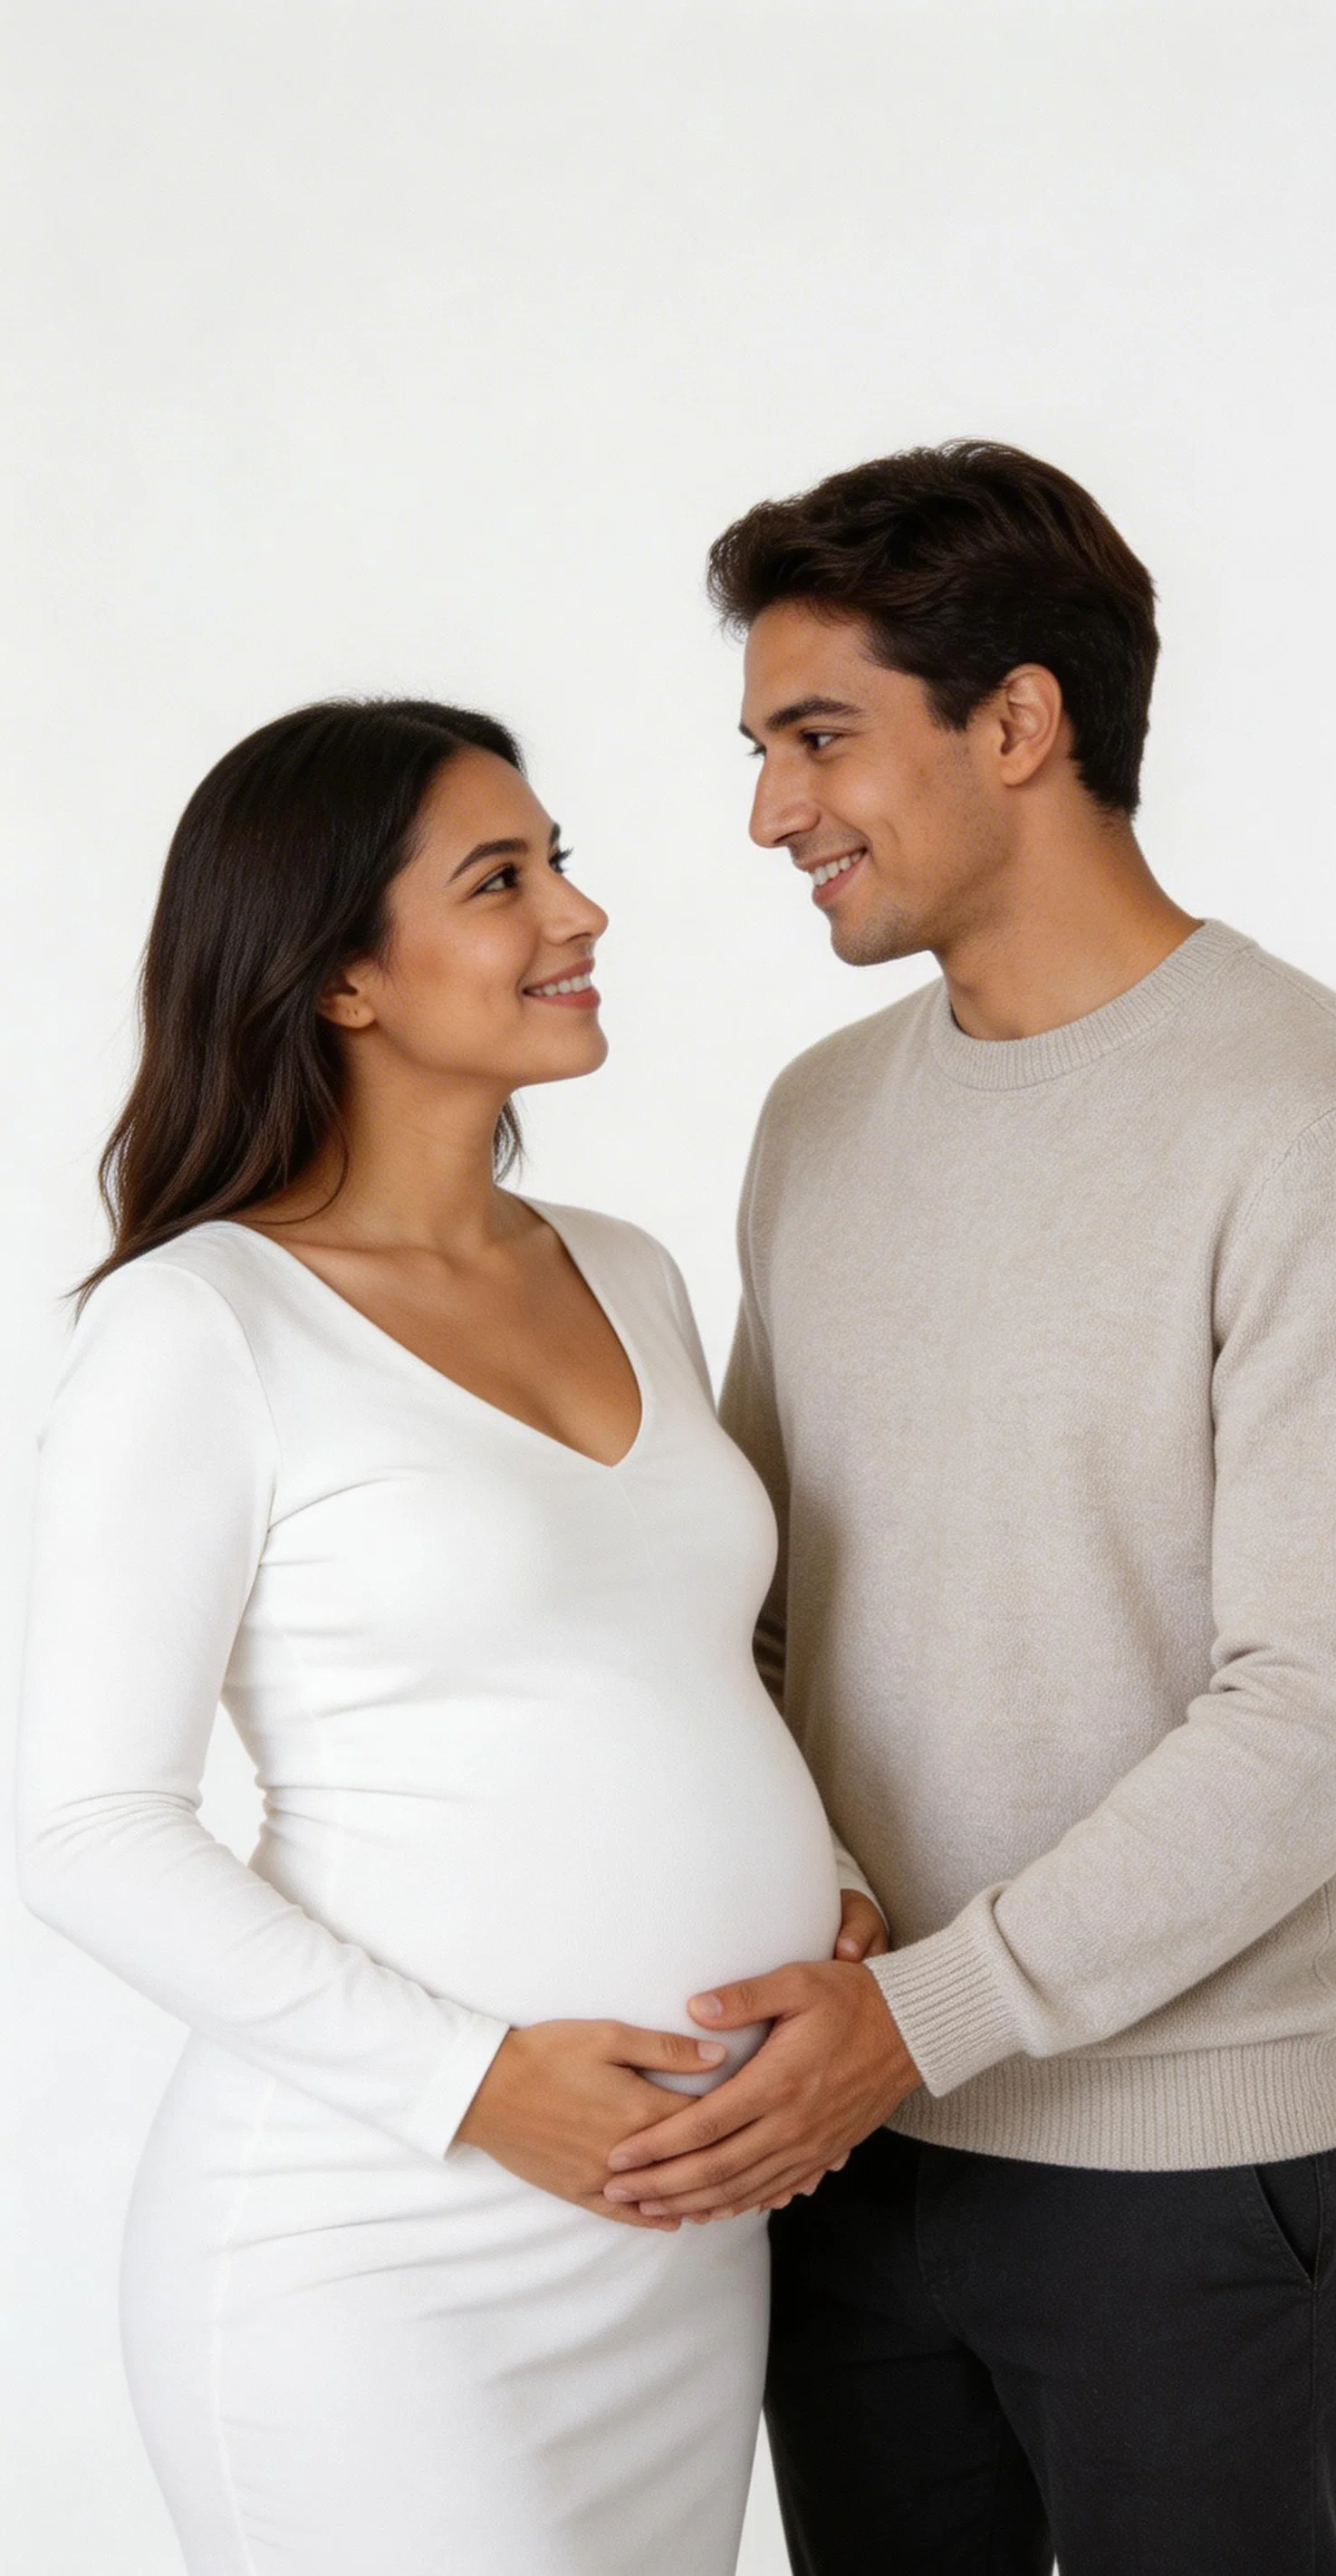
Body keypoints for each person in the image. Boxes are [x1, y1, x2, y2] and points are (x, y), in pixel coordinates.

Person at [600, 443, 1336, 2573]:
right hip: (840, 2149)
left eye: (817, 739)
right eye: (763, 748)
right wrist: (832, 1994)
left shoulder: (1320, 1127)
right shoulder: (817, 1121)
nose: (768, 814)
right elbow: (766, 1614)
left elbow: (1319, 1714)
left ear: (1014, 720)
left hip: (1173, 2185)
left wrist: (925, 2016)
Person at [15, 697, 887, 2576]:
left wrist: (825, 1878)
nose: (577, 915)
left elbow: (673, 1653)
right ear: (338, 976)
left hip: (675, 2243)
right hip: (379, 2248)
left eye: (560, 861)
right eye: (502, 880)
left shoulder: (625, 1269)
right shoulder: (201, 1325)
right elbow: (84, 1826)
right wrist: (475, 2088)